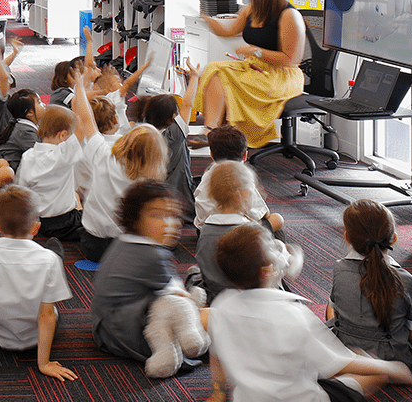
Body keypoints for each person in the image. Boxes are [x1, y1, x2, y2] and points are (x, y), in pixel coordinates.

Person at [206, 224, 410, 402]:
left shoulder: (222, 305)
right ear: (267, 271)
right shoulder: (293, 316)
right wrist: (390, 368)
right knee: (373, 373)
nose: (279, 245)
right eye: (272, 244)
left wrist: (219, 393)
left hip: (248, 398)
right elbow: (340, 364)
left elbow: (215, 354)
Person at [0, 186, 78, 382]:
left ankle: (2, 242)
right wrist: (44, 364)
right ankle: (53, 249)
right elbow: (46, 316)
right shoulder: (48, 261)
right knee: (53, 258)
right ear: (36, 228)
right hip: (35, 339)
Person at [90, 180, 207, 377]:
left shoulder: (125, 242)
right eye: (156, 215)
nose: (168, 223)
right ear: (135, 219)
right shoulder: (150, 255)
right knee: (210, 316)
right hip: (126, 332)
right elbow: (176, 295)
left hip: (105, 327)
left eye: (173, 216)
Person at [185, 0, 306, 148]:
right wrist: (205, 18)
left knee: (229, 78)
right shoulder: (252, 9)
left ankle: (226, 135)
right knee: (215, 69)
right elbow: (228, 31)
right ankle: (211, 130)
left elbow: (291, 60)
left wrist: (256, 51)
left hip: (282, 76)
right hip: (258, 67)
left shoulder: (289, 15)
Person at [326, 199, 412, 385]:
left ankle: (362, 369)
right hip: (392, 358)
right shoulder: (404, 279)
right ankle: (385, 371)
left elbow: (333, 309)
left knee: (332, 309)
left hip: (347, 352)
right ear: (394, 238)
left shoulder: (339, 269)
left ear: (347, 237)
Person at [17, 66, 98, 242]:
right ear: (62, 135)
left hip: (39, 221)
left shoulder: (28, 155)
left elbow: (22, 190)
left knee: (76, 199)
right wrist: (80, 86)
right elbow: (84, 122)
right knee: (98, 222)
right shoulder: (63, 153)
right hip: (64, 221)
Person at [77, 124, 167, 261]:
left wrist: (78, 100)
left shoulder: (103, 154)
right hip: (126, 249)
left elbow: (85, 118)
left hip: (92, 245)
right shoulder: (149, 183)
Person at [193, 161, 264, 301]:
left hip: (214, 297)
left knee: (194, 273)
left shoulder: (205, 230)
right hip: (246, 300)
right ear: (244, 194)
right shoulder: (252, 232)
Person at [192, 125, 282, 233]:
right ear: (245, 155)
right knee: (277, 219)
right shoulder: (244, 177)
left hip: (206, 231)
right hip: (238, 234)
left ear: (212, 155)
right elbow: (263, 214)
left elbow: (201, 215)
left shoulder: (207, 176)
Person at [140, 95, 194, 220]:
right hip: (177, 194)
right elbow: (188, 104)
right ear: (174, 117)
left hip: (150, 193)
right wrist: (195, 76)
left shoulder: (142, 134)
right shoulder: (175, 136)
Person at [0, 89, 42, 172]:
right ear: (29, 112)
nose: (44, 105)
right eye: (39, 102)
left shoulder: (22, 126)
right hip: (15, 176)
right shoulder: (25, 132)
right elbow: (40, 157)